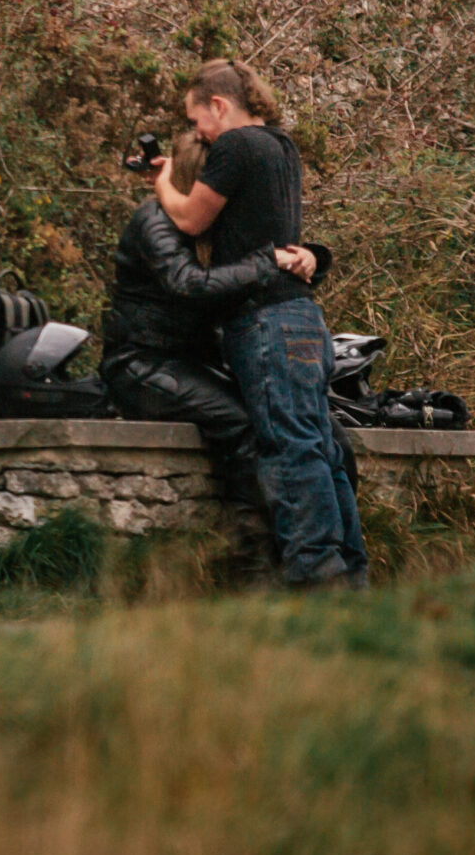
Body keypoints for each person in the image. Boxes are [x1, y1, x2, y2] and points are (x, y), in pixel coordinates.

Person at [153, 58, 366, 590]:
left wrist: (161, 182)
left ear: (218, 105)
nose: (196, 131)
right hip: (304, 318)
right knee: (320, 447)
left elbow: (189, 218)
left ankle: (316, 579)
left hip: (266, 322)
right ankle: (350, 574)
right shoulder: (281, 146)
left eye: (196, 117)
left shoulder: (235, 146)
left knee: (289, 451)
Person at [102, 128, 329, 529]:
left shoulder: (214, 228)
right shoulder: (155, 221)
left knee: (321, 431)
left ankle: (325, 555)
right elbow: (187, 284)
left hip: (195, 362)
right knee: (244, 425)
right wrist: (267, 261)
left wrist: (311, 256)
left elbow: (249, 270)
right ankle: (254, 563)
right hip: (142, 363)